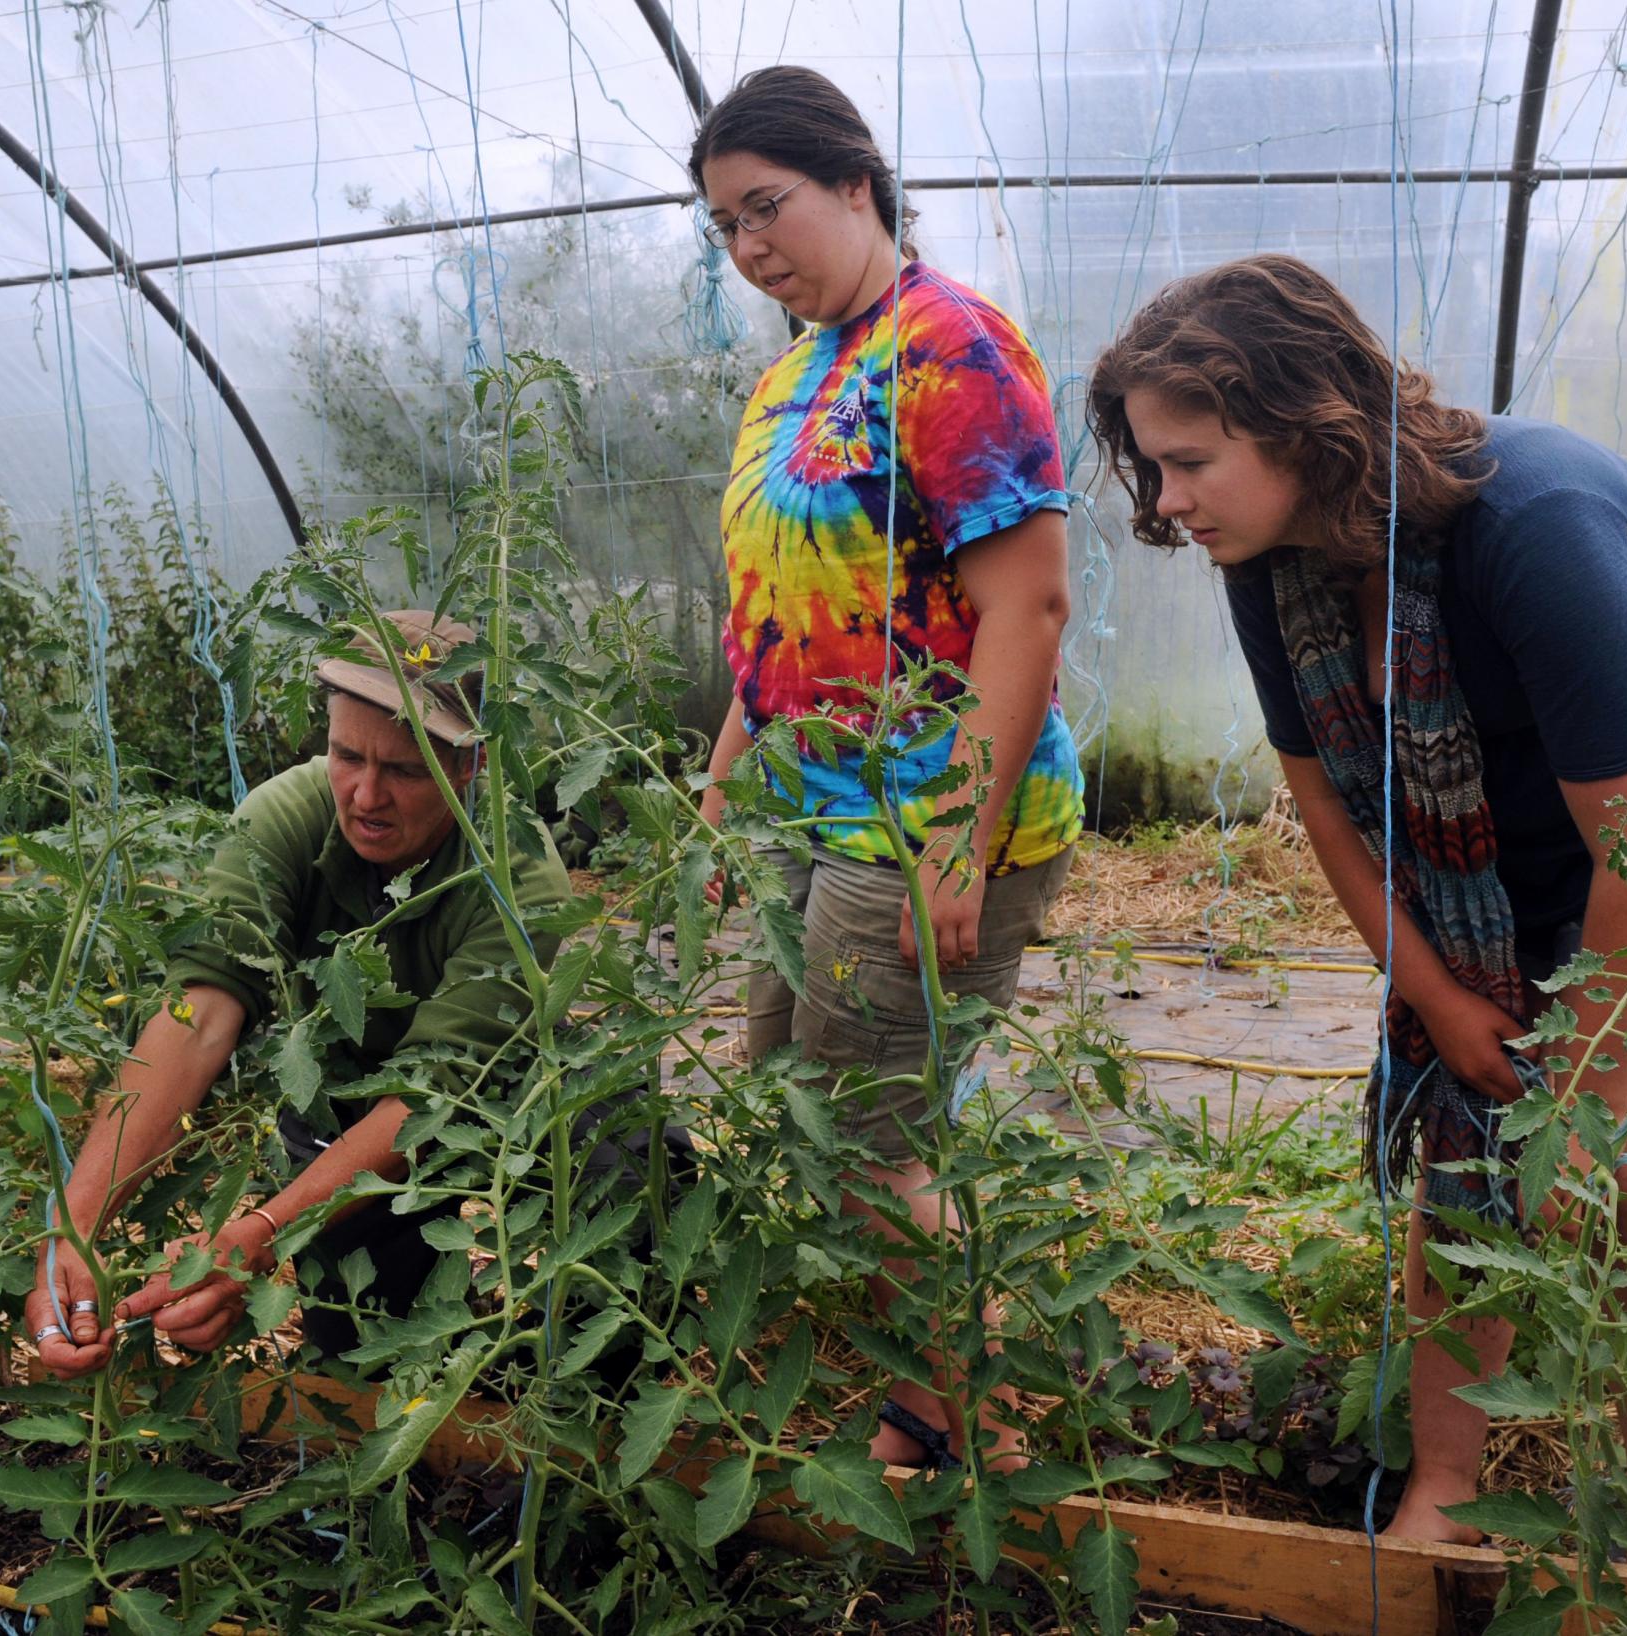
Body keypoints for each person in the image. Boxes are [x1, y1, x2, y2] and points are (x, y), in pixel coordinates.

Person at [1086, 255, 1627, 1544]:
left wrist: (1587, 1096)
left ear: (1307, 421)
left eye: (1189, 459)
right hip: (1496, 846)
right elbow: (1321, 802)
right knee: (1466, 1141)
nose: (1167, 498)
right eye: (1152, 466)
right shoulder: (1273, 561)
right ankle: (1446, 1487)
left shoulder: (1532, 524)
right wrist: (1441, 999)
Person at [687, 66, 1084, 1471]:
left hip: (919, 816)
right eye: (726, 224)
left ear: (858, 183)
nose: (749, 246)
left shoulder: (949, 349)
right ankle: (923, 1359)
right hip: (807, 809)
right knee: (798, 1081)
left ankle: (960, 1415)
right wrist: (725, 775)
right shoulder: (795, 375)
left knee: (868, 1127)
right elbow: (775, 613)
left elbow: (1025, 606)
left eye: (769, 206)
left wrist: (959, 839)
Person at [21, 612, 574, 1380]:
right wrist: (73, 1227)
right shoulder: (285, 818)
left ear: (471, 762)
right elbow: (202, 1014)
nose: (366, 795)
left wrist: (266, 1235)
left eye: (406, 771)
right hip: (352, 1102)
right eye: (346, 756)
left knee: (621, 1163)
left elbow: (432, 1098)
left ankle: (578, 1379)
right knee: (368, 1353)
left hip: (508, 1096)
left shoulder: (520, 880)